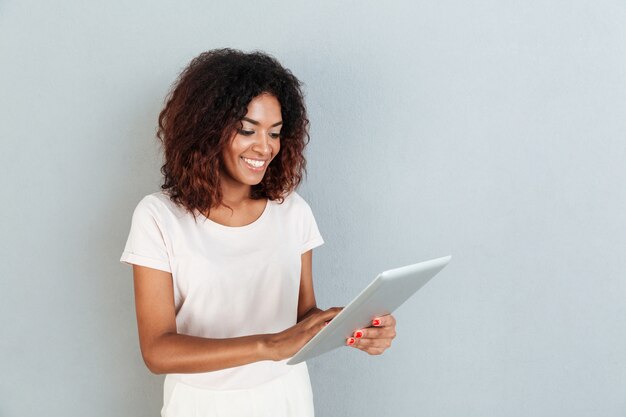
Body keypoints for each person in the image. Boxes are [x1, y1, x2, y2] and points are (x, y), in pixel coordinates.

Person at [119, 48, 397, 417]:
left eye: (275, 133)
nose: (264, 147)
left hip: (286, 398)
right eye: (247, 130)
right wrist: (268, 345)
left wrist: (351, 328)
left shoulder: (292, 211)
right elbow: (157, 350)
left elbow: (302, 317)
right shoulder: (158, 217)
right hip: (202, 405)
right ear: (206, 129)